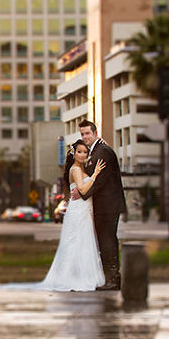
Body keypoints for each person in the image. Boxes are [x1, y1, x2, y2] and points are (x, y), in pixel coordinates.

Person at [37, 144, 106, 293]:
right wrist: (95, 175)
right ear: (74, 154)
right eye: (79, 152)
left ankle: (81, 275)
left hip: (84, 209)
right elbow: (82, 190)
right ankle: (73, 278)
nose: (82, 155)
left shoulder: (81, 169)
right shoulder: (75, 170)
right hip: (79, 211)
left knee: (83, 243)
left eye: (85, 152)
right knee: (77, 243)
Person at [76, 116, 128, 286]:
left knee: (107, 240)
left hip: (108, 205)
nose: (85, 137)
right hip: (104, 205)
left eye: (88, 133)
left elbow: (99, 180)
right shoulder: (95, 151)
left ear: (95, 133)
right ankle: (110, 277)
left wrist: (82, 194)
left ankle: (112, 278)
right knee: (105, 240)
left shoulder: (103, 151)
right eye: (82, 134)